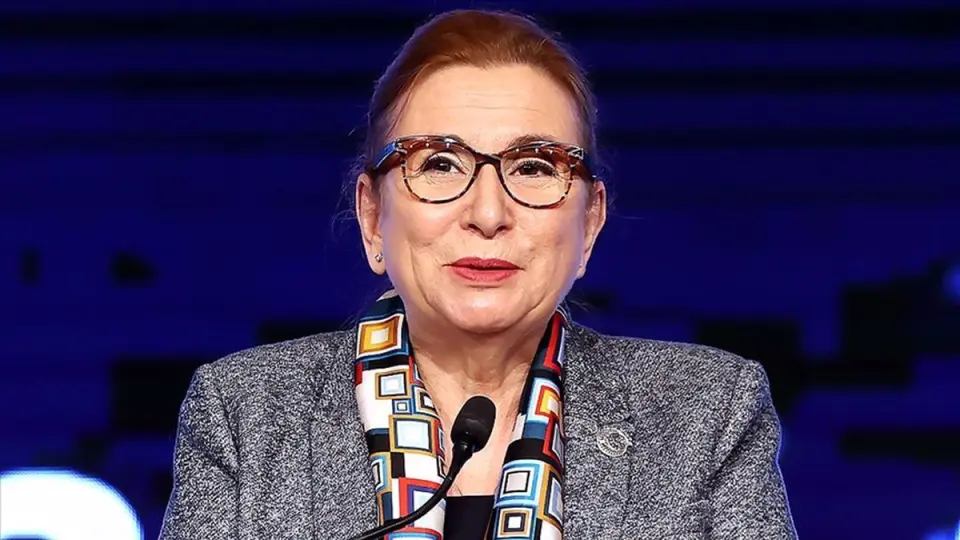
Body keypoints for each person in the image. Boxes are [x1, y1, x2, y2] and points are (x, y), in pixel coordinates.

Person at [159, 9, 797, 540]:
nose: (488, 213)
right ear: (373, 217)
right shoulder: (244, 415)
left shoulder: (708, 414)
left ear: (590, 223)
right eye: (439, 164)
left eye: (535, 167)